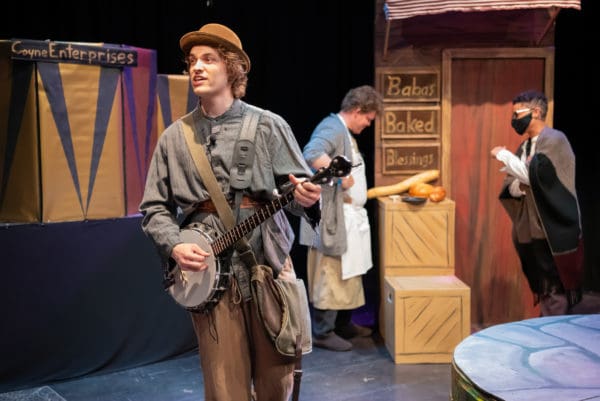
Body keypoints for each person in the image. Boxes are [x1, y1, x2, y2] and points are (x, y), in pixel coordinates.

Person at [139, 23, 322, 401]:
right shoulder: (174, 138)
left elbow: (297, 191)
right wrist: (174, 245)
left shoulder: (269, 126)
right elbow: (154, 208)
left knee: (277, 383)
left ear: (232, 68)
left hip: (269, 270)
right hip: (211, 282)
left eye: (209, 59)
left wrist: (307, 198)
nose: (196, 67)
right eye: (192, 61)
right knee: (225, 390)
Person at [299, 85, 383, 351]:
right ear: (357, 111)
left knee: (349, 273)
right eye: (368, 119)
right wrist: (341, 177)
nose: (368, 124)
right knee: (331, 273)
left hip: (349, 217)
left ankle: (342, 324)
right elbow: (312, 153)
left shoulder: (344, 132)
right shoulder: (332, 128)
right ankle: (323, 331)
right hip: (333, 218)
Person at [491, 89, 584, 316]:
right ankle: (548, 325)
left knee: (555, 284)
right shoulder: (524, 147)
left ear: (535, 112)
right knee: (542, 284)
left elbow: (538, 177)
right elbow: (512, 185)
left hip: (551, 228)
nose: (514, 119)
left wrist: (504, 155)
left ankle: (556, 331)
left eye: (517, 114)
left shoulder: (555, 140)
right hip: (529, 228)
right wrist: (524, 183)